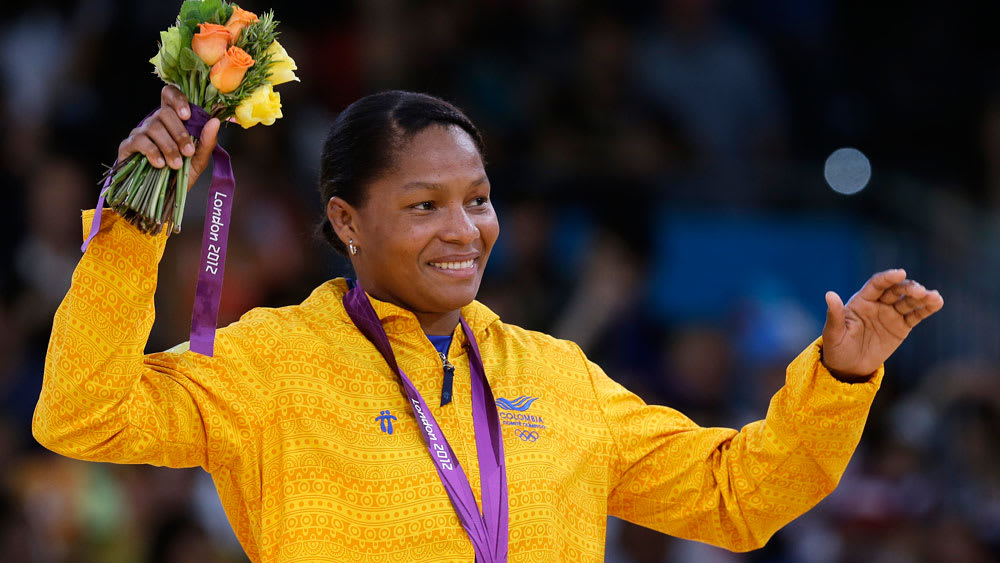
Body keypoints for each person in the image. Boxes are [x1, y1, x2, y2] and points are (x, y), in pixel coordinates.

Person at [32, 86, 944, 562]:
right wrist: (132, 233)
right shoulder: (271, 365)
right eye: (423, 205)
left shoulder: (556, 375)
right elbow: (83, 413)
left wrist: (841, 379)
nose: (464, 230)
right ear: (347, 221)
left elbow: (735, 498)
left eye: (477, 199)